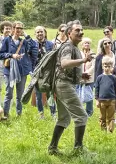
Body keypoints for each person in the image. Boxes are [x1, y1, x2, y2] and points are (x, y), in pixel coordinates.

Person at [48, 20, 90, 154]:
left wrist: (80, 75)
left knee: (64, 118)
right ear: (69, 33)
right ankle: (78, 149)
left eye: (81, 30)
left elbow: (66, 67)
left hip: (62, 84)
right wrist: (83, 60)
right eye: (77, 30)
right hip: (64, 85)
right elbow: (65, 63)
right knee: (82, 116)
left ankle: (52, 148)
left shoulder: (73, 47)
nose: (81, 32)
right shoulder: (68, 47)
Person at [0, 21, 40, 118]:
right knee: (9, 94)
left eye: (21, 28)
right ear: (13, 29)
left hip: (22, 71)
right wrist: (12, 55)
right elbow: (1, 55)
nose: (19, 30)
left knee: (20, 95)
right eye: (17, 28)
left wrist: (26, 35)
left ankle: (19, 114)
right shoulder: (7, 41)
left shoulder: (24, 41)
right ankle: (5, 114)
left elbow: (34, 46)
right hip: (9, 71)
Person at [32, 26, 56, 118]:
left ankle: (53, 113)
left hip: (48, 72)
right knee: (38, 94)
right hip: (37, 72)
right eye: (37, 32)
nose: (40, 34)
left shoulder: (50, 44)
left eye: (41, 32)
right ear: (35, 34)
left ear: (44, 33)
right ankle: (41, 114)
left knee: (50, 93)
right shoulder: (32, 44)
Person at [94, 56, 116, 131]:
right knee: (102, 117)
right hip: (102, 101)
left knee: (111, 117)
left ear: (112, 67)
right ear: (102, 66)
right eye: (105, 66)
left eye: (109, 66)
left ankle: (110, 131)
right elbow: (97, 89)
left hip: (112, 100)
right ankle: (103, 131)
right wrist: (97, 100)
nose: (107, 68)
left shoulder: (113, 78)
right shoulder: (99, 78)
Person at [76, 37, 95, 117]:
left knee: (89, 96)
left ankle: (89, 113)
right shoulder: (78, 53)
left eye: (88, 43)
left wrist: (86, 73)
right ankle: (79, 112)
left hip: (89, 78)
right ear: (82, 45)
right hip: (79, 78)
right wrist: (81, 74)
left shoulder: (93, 54)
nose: (87, 44)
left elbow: (93, 66)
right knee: (78, 95)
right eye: (85, 43)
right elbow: (77, 64)